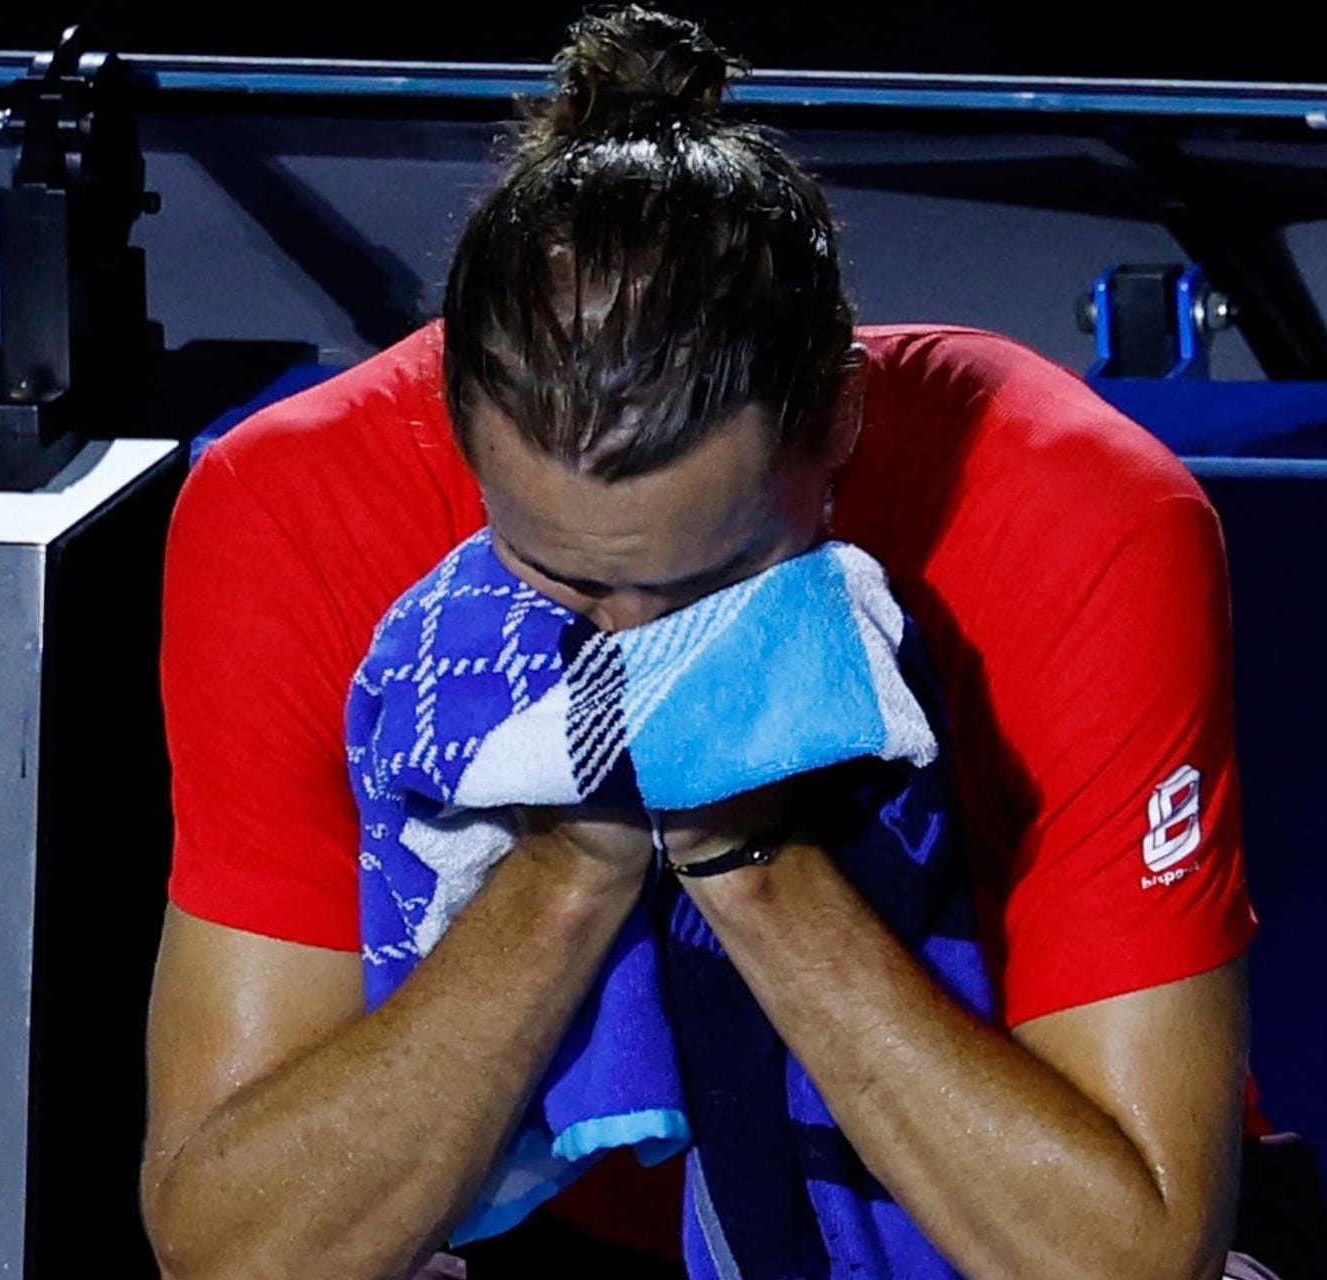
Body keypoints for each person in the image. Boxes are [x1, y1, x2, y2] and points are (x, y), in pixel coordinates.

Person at [139, 7, 1258, 1278]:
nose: (634, 642)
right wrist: (572, 865)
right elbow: (235, 1253)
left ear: (837, 416)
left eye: (710, 579)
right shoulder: (293, 503)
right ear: (456, 428)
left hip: (984, 1198)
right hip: (537, 1230)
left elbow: (1126, 1259)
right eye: (562, 577)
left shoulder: (1080, 511)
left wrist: (749, 852)